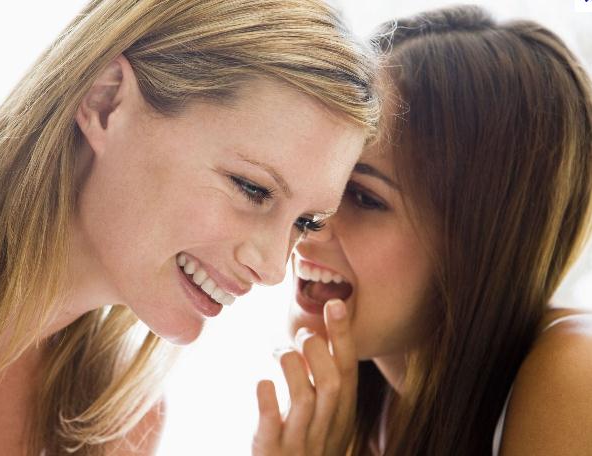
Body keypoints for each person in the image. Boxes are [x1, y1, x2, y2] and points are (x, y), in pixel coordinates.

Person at [0, 0, 380, 454]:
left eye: (304, 222)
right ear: (105, 102)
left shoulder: (116, 428)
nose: (273, 270)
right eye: (251, 188)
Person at [253, 5, 592, 456]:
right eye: (327, 182)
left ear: (480, 243)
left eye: (365, 197)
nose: (309, 225)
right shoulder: (365, 411)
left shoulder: (577, 373)